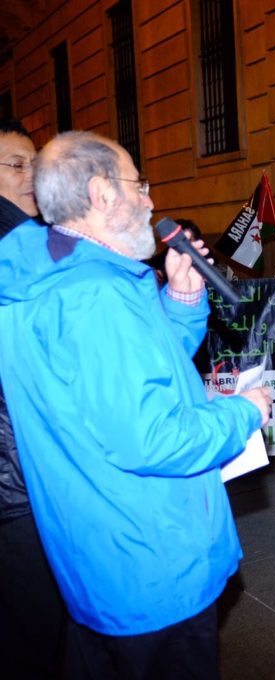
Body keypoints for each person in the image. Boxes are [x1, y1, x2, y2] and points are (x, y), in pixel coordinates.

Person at [0, 130, 271, 676]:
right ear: (101, 193)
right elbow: (151, 437)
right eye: (138, 183)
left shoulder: (62, 274)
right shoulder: (95, 295)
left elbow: (133, 375)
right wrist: (245, 412)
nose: (149, 199)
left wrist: (184, 297)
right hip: (150, 558)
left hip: (103, 551)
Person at [0, 118, 68, 679]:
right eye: (16, 165)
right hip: (16, 482)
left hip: (32, 471)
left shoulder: (39, 242)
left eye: (35, 165)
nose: (31, 177)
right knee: (33, 631)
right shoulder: (25, 250)